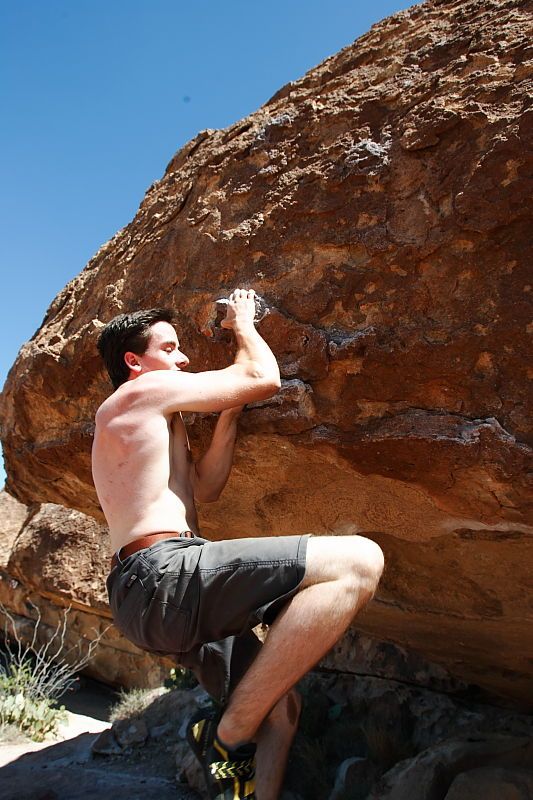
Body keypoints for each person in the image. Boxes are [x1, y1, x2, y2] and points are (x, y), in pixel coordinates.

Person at [93, 288, 384, 800]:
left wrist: (229, 411)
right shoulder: (135, 396)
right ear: (134, 362)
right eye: (170, 348)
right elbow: (262, 377)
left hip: (154, 593)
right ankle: (226, 736)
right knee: (359, 561)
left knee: (281, 710)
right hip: (163, 575)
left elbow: (206, 488)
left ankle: (244, 784)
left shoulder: (160, 420)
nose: (182, 357)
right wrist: (243, 323)